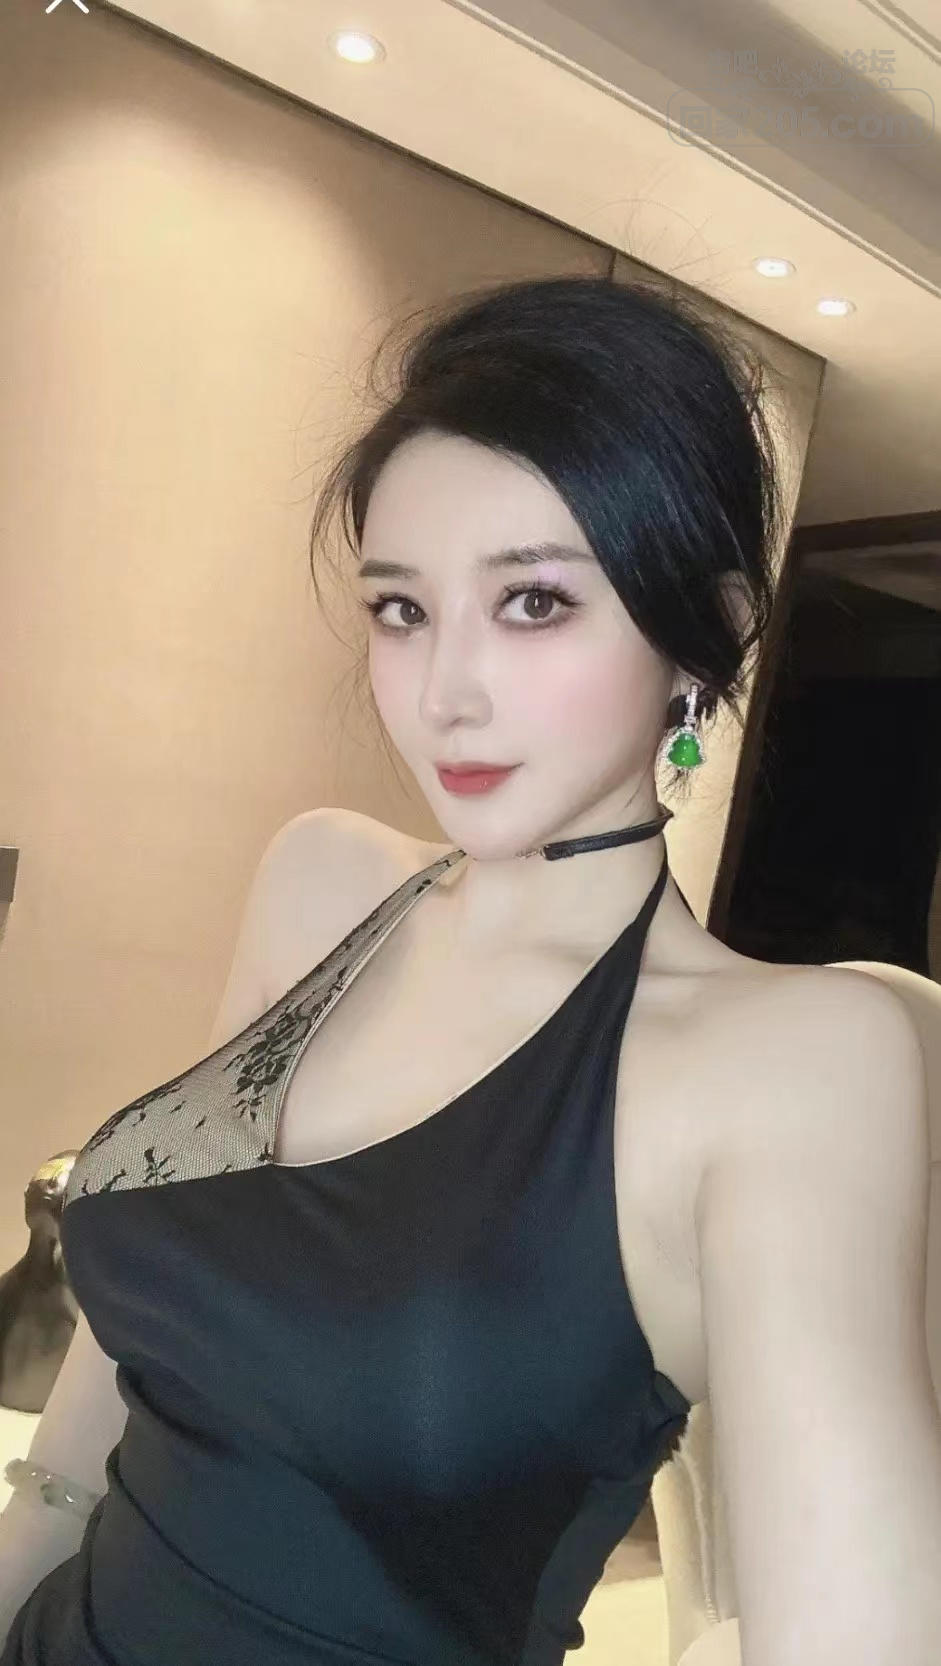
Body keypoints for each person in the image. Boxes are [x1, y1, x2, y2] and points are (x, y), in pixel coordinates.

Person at [2, 274, 939, 1665]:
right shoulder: (320, 884)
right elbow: (122, 1381)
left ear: (706, 628)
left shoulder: (790, 1063)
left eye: (534, 602)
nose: (444, 691)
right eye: (402, 608)